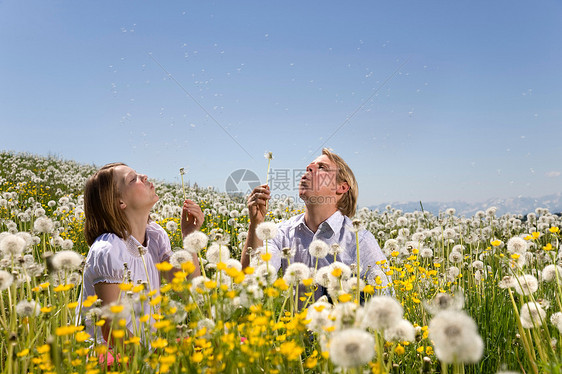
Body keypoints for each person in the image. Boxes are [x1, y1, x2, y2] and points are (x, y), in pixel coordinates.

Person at [79, 162, 203, 344]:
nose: (144, 176)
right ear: (120, 202)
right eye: (132, 179)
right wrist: (151, 360)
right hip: (111, 355)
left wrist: (190, 237)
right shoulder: (108, 249)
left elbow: (188, 290)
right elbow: (111, 329)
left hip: (145, 349)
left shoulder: (155, 235)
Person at [241, 148, 390, 298]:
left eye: (321, 167)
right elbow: (252, 281)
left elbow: (385, 299)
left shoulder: (360, 241)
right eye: (309, 167)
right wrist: (256, 224)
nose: (309, 168)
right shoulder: (282, 233)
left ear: (342, 187)